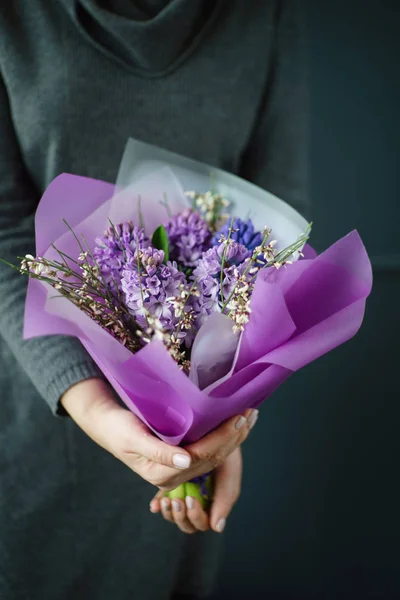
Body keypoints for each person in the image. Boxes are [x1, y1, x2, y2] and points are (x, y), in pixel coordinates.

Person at [0, 1, 308, 599]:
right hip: (44, 412)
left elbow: (274, 236)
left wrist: (224, 423)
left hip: (195, 437)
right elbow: (4, 227)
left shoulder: (266, 14)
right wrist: (97, 410)